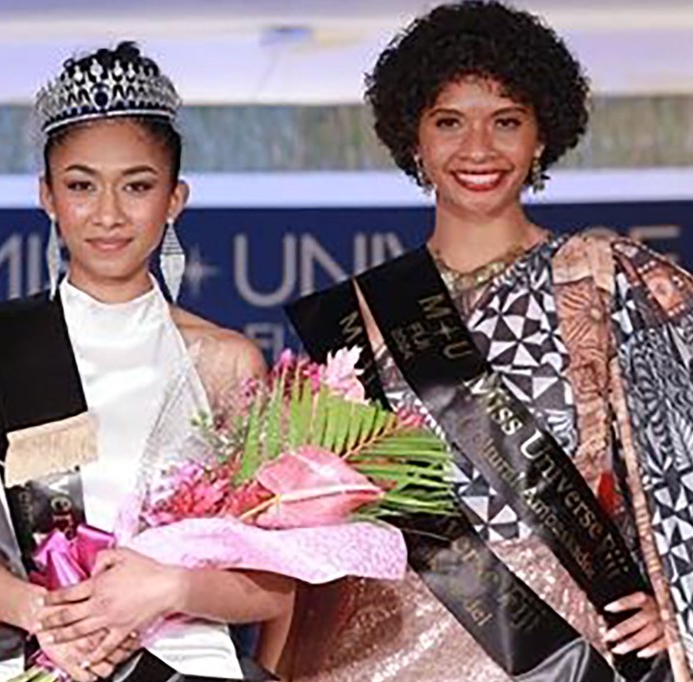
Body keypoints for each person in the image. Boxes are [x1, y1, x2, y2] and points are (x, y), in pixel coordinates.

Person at [285, 2, 693, 680]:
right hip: (386, 646)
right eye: (450, 122)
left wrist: (677, 606)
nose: (478, 149)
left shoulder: (604, 275)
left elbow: (685, 456)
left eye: (506, 121)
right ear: (413, 138)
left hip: (562, 643)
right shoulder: (357, 314)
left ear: (541, 137)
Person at [0, 42, 294, 682]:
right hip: (40, 660)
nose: (107, 215)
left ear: (175, 198)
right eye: (80, 186)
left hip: (186, 667)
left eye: (137, 187)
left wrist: (169, 589)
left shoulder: (226, 363)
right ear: (47, 196)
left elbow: (274, 582)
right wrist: (44, 612)